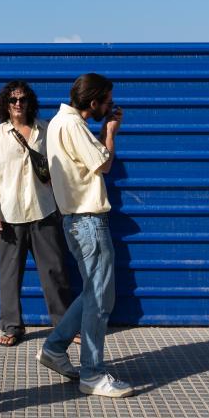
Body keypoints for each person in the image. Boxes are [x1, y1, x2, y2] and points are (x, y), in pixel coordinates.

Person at [35, 73, 134, 398]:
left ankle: (54, 348)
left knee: (93, 292)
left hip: (76, 219)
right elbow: (103, 164)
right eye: (107, 100)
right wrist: (110, 133)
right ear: (94, 103)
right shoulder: (74, 126)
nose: (110, 105)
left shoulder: (59, 123)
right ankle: (92, 373)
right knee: (101, 299)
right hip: (88, 220)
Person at [0, 81, 74, 347]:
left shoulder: (47, 131)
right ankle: (10, 327)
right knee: (8, 276)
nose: (18, 104)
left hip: (45, 212)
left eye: (23, 99)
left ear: (30, 102)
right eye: (12, 100)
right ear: (5, 104)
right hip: (9, 216)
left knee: (55, 272)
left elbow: (64, 168)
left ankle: (64, 326)